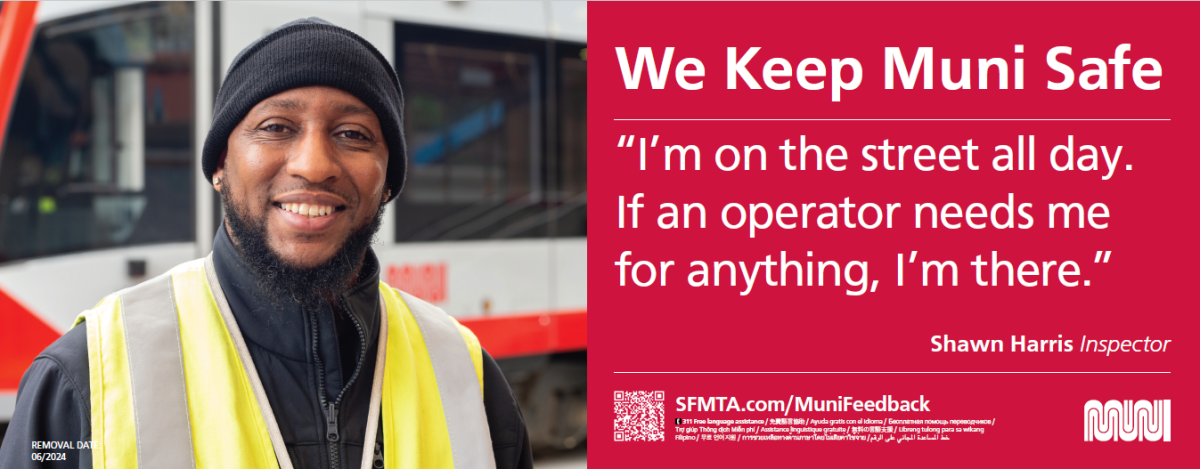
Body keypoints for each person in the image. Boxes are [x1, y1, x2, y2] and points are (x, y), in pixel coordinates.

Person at [0, 18, 532, 469]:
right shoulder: (84, 380)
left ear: (388, 181)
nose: (314, 165)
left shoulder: (466, 373)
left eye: (353, 134)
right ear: (219, 167)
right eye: (276, 126)